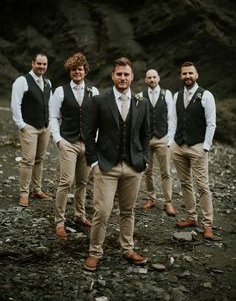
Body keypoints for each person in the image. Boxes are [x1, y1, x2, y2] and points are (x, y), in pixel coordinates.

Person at [83, 57, 150, 271]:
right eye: (119, 74)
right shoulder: (100, 100)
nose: (122, 77)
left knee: (128, 211)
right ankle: (95, 252)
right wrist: (93, 161)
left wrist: (145, 159)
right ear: (113, 76)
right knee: (102, 211)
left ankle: (128, 249)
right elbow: (88, 133)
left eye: (126, 74)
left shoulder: (142, 102)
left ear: (132, 77)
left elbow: (146, 134)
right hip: (106, 166)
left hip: (133, 166)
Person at [50, 52, 99, 238]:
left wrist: (95, 140)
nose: (76, 72)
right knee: (66, 181)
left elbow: (98, 119)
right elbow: (54, 116)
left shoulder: (93, 92)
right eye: (73, 69)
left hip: (87, 144)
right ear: (69, 72)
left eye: (79, 69)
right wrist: (58, 139)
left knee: (83, 182)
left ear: (85, 71)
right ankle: (59, 221)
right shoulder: (60, 91)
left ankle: (80, 215)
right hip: (68, 142)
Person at [170, 61, 216, 240]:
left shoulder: (206, 95)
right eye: (184, 74)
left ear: (196, 75)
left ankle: (208, 225)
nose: (187, 76)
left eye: (190, 73)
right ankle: (191, 217)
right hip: (178, 146)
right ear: (181, 76)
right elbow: (173, 120)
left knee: (203, 186)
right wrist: (171, 143)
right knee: (185, 184)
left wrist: (205, 146)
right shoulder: (176, 96)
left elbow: (211, 123)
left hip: (197, 146)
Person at [11, 52, 53, 207]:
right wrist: (21, 124)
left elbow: (50, 104)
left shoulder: (48, 83)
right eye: (39, 63)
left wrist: (51, 124)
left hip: (45, 126)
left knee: (40, 159)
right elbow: (16, 103)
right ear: (33, 63)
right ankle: (24, 193)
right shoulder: (22, 81)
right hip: (29, 126)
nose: (41, 67)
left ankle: (37, 189)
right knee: (28, 160)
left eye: (44, 64)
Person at [140, 69, 176, 216]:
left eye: (154, 77)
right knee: (147, 171)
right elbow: (139, 119)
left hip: (162, 138)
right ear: (145, 80)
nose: (152, 79)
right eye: (149, 77)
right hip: (146, 139)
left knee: (165, 171)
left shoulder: (166, 94)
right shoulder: (141, 95)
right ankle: (151, 198)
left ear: (158, 78)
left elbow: (172, 118)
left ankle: (168, 202)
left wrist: (170, 139)